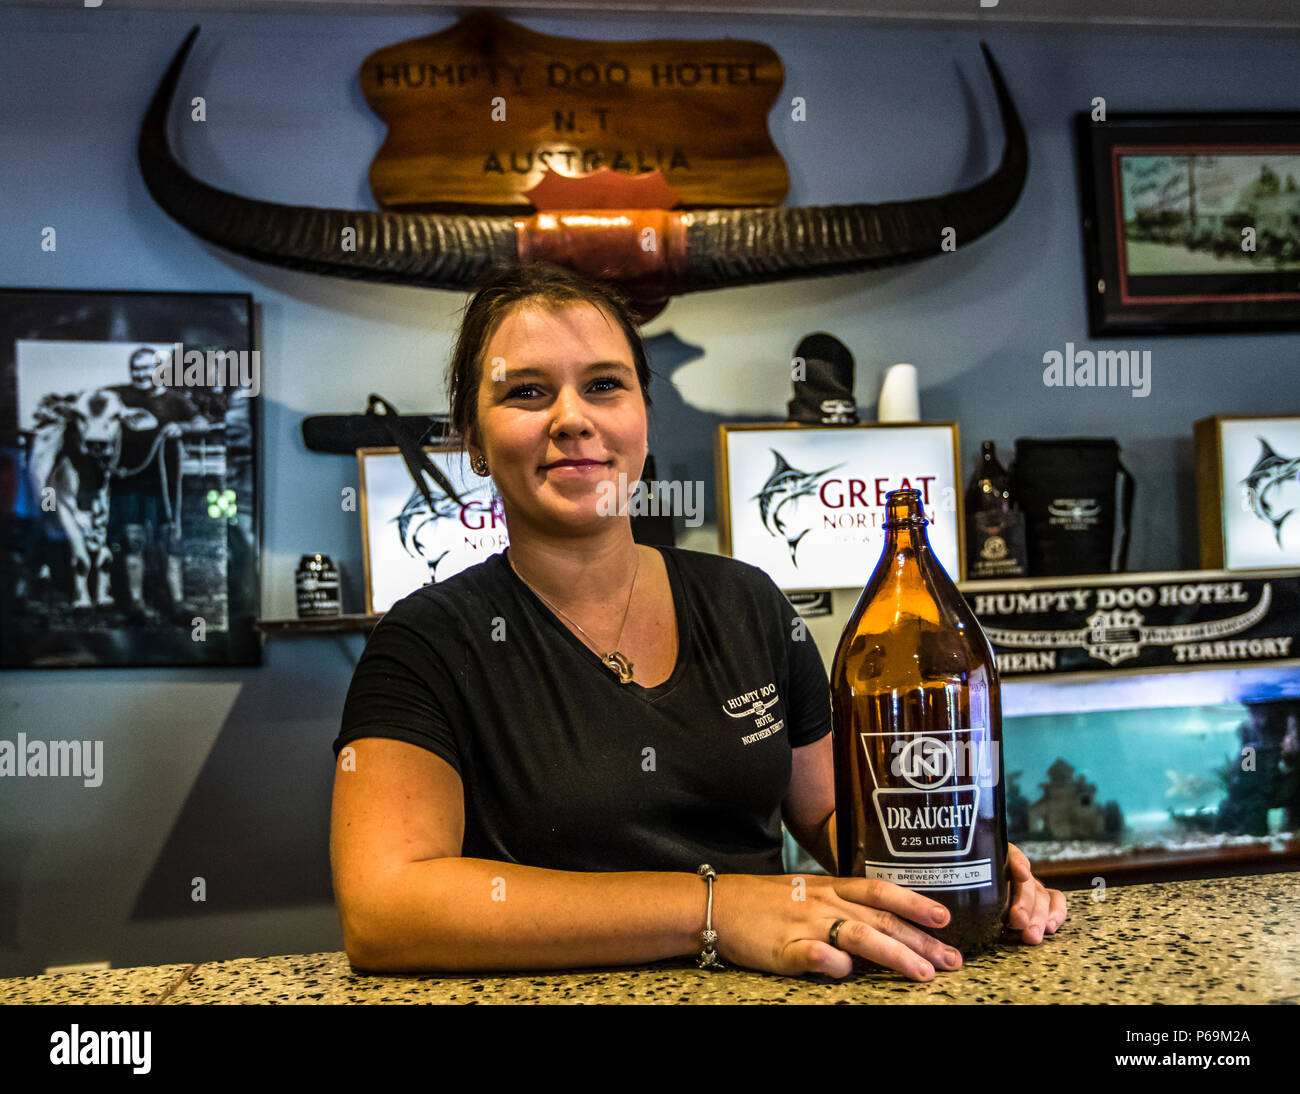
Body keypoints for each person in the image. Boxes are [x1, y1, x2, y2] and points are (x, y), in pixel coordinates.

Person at [330, 262, 1067, 981]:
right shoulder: (425, 642)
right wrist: (716, 911)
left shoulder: (747, 604)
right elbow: (386, 909)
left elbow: (834, 820)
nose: (572, 418)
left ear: (642, 417)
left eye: (604, 386)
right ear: (472, 439)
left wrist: (952, 870)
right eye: (527, 392)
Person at [107, 346, 208, 623]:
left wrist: (183, 428)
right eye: (135, 368)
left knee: (170, 541)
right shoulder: (118, 395)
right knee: (133, 540)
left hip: (166, 484)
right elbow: (94, 405)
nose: (140, 373)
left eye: (146, 368)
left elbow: (202, 424)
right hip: (129, 480)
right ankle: (136, 604)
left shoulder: (176, 401)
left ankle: (177, 603)